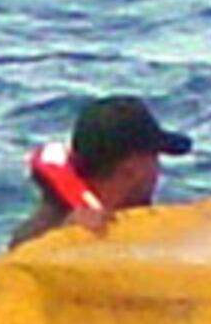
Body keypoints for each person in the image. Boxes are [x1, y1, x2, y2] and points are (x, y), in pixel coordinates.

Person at [10, 95, 192, 249]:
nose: (157, 170)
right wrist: (63, 242)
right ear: (132, 169)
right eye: (154, 157)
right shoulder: (49, 233)